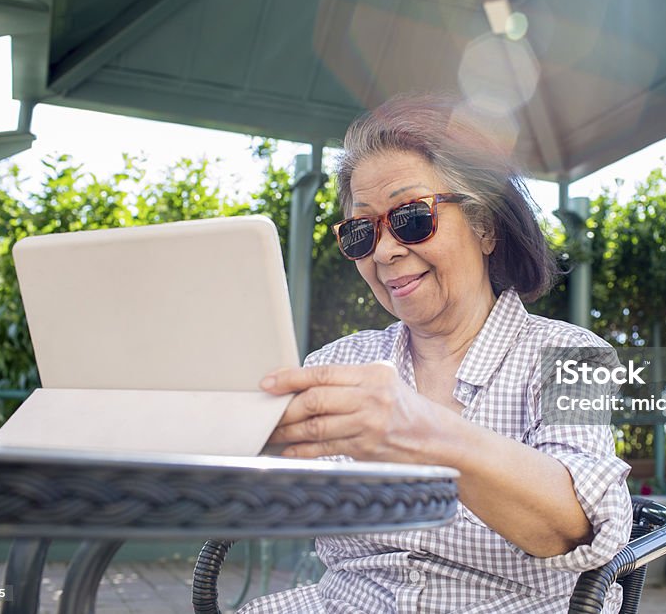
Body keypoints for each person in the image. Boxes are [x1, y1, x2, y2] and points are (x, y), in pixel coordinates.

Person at [240, 93, 632, 614]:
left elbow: (570, 523)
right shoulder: (336, 364)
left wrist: (419, 428)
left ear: (486, 225)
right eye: (362, 231)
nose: (384, 251)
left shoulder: (573, 355)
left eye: (409, 218)